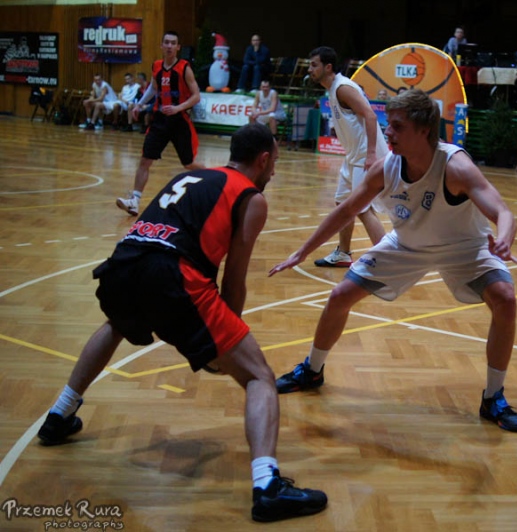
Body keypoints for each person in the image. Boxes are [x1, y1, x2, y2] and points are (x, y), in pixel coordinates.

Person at [36, 123, 328, 523]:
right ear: (263, 160)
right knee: (259, 376)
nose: (274, 171)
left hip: (123, 263)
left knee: (116, 323)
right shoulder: (251, 197)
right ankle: (267, 486)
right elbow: (234, 279)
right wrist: (224, 342)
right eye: (274, 162)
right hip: (172, 275)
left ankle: (59, 415)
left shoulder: (188, 176)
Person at [268, 89, 517, 432]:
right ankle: (312, 370)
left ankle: (493, 397)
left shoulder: (456, 167)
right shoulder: (386, 167)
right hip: (406, 245)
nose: (388, 132)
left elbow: (503, 212)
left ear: (424, 130)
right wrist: (303, 251)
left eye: (397, 126)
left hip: (464, 247)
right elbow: (346, 210)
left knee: (505, 299)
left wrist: (505, 238)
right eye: (388, 124)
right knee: (339, 296)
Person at [306, 46, 388, 267]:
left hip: (364, 156)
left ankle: (387, 259)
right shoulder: (333, 89)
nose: (310, 69)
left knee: (363, 209)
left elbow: (371, 116)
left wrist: (371, 154)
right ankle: (343, 253)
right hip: (353, 156)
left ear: (328, 67)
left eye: (314, 65)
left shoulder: (343, 88)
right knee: (342, 202)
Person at [117, 31, 203, 217]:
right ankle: (134, 201)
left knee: (188, 163)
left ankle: (219, 177)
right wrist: (139, 104)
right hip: (160, 120)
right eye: (167, 42)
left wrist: (178, 108)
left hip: (179, 120)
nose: (170, 46)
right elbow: (153, 88)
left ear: (178, 47)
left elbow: (196, 96)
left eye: (173, 43)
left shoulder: (184, 67)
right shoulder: (156, 66)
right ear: (162, 46)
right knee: (145, 159)